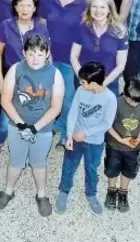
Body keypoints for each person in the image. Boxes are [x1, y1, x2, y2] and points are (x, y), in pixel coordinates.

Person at [0, 35, 63, 216]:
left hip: (43, 128)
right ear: (24, 52)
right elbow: (6, 100)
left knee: (39, 163)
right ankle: (8, 190)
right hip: (17, 125)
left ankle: (41, 194)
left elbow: (56, 108)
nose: (35, 59)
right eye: (31, 54)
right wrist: (21, 125)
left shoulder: (55, 74)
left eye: (40, 54)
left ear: (47, 54)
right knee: (15, 161)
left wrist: (34, 128)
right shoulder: (16, 69)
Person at [0, 0, 50, 170]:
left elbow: (47, 54)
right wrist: (0, 79)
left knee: (29, 114)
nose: (25, 9)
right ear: (15, 7)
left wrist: (50, 79)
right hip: (11, 76)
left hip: (34, 77)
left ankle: (24, 151)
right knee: (3, 120)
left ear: (34, 8)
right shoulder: (6, 25)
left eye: (29, 5)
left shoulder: (41, 26)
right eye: (21, 4)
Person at [55, 61, 117, 215]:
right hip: (75, 138)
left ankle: (91, 194)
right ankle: (64, 191)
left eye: (83, 81)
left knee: (91, 169)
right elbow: (73, 113)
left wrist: (86, 133)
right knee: (69, 165)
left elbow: (107, 124)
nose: (80, 83)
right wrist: (69, 135)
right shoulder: (81, 91)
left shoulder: (110, 98)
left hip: (95, 142)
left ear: (93, 83)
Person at [38, 0, 88, 145]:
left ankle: (64, 130)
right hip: (49, 56)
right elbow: (42, 26)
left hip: (71, 59)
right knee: (46, 94)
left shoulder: (85, 3)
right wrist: (45, 51)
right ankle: (48, 125)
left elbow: (87, 32)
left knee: (67, 98)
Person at [71, 0, 128, 95]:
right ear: (89, 9)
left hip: (108, 83)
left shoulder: (120, 32)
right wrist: (82, 79)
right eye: (94, 6)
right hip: (84, 82)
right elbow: (74, 56)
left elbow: (121, 65)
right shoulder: (82, 27)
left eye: (102, 7)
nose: (98, 10)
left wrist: (102, 85)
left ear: (109, 10)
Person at [104, 79, 140, 213]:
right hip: (114, 144)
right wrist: (121, 140)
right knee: (112, 169)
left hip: (133, 147)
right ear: (126, 95)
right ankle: (111, 191)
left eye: (138, 101)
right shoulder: (116, 103)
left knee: (128, 170)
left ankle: (123, 192)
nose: (135, 104)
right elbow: (107, 125)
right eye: (132, 100)